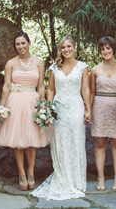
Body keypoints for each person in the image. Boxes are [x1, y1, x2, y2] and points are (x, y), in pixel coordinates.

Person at [31, 36, 91, 201]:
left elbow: (85, 89)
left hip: (76, 107)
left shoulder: (82, 67)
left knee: (76, 141)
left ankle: (77, 181)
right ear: (60, 49)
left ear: (74, 47)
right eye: (63, 47)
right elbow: (50, 89)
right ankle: (62, 177)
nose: (66, 50)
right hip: (59, 109)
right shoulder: (53, 68)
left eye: (69, 46)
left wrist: (88, 108)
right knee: (61, 142)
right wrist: (49, 108)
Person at [0, 32, 50, 191]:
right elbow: (6, 86)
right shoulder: (10, 63)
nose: (21, 46)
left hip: (32, 101)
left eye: (23, 43)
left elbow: (41, 85)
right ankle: (21, 173)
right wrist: (3, 106)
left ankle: (31, 172)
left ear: (29, 43)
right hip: (15, 101)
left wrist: (42, 104)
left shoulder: (38, 62)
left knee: (31, 141)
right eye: (18, 44)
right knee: (17, 141)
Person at [89, 36, 116, 191]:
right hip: (99, 107)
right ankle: (101, 178)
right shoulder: (95, 70)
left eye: (108, 48)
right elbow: (91, 92)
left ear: (113, 49)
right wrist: (88, 110)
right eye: (102, 49)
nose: (105, 51)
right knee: (100, 143)